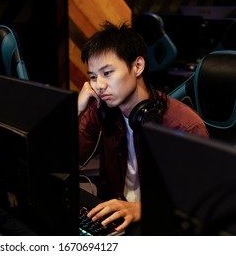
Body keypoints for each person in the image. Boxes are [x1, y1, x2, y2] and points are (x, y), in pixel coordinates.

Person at [77, 21, 209, 234]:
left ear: (137, 66)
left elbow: (197, 202)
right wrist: (76, 109)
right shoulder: (101, 111)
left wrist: (141, 209)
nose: (99, 85)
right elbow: (63, 160)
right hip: (115, 219)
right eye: (93, 76)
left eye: (108, 73)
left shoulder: (184, 126)